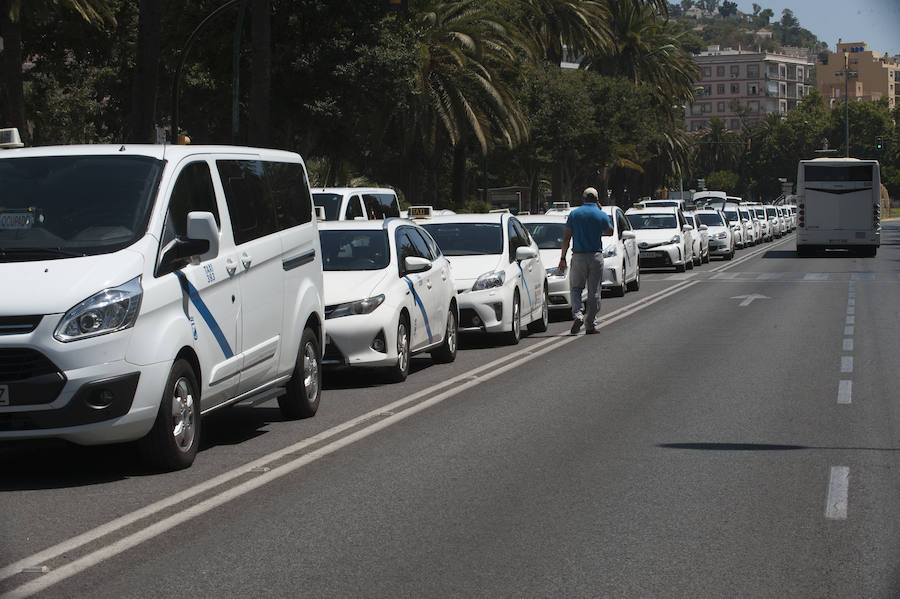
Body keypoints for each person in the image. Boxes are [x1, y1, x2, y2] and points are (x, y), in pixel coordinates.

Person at [558, 187, 613, 335]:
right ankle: (590, 324)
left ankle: (578, 315)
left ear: (583, 198)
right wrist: (600, 212)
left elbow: (566, 237)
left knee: (576, 288)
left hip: (578, 256)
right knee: (594, 291)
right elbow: (610, 231)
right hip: (595, 256)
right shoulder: (600, 214)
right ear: (597, 199)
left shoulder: (574, 214)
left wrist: (562, 258)